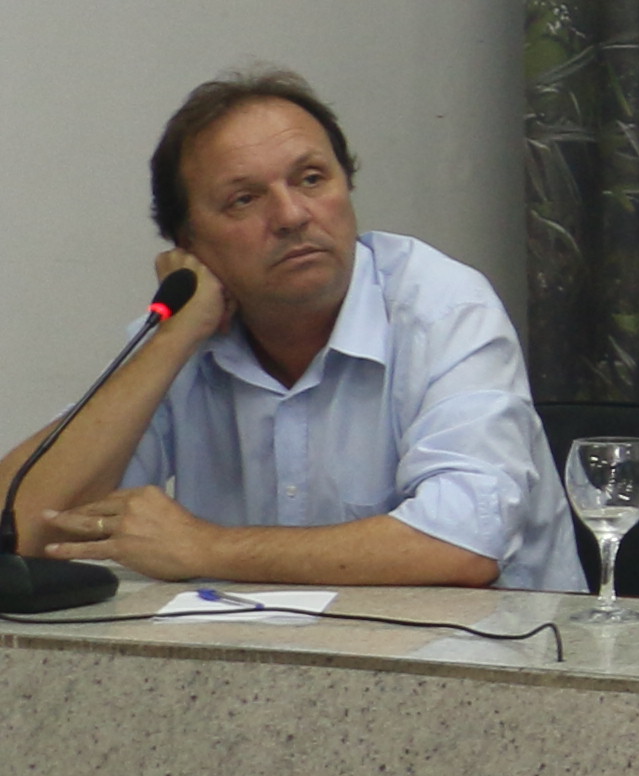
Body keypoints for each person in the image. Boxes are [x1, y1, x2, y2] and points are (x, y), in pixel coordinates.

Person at [7, 70, 564, 590]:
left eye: (312, 179)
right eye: (244, 199)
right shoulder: (179, 341)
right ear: (190, 245)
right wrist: (171, 341)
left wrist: (206, 548)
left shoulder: (443, 309)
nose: (293, 215)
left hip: (489, 653)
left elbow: (466, 543)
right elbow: (17, 531)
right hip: (257, 655)